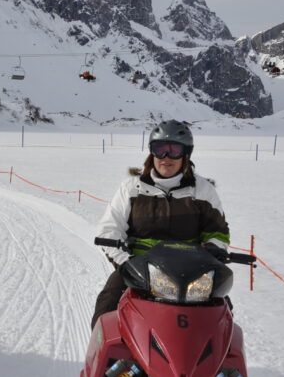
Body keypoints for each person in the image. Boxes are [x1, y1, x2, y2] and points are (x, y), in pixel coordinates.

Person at [91, 120, 230, 328]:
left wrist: (214, 250)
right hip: (139, 268)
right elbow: (110, 228)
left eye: (174, 150)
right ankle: (106, 359)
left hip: (191, 273)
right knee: (107, 308)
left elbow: (218, 231)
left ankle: (220, 360)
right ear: (151, 152)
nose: (166, 157)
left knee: (221, 316)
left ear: (186, 154)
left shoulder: (202, 190)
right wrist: (126, 263)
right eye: (160, 149)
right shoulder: (132, 188)